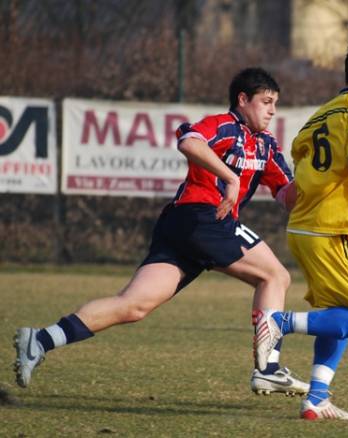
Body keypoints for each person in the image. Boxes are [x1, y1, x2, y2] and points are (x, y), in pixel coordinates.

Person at [14, 67, 308, 396]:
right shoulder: (226, 125)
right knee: (275, 277)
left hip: (186, 227)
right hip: (201, 217)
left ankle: (40, 340)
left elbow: (288, 197)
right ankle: (267, 369)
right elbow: (189, 142)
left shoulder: (266, 146)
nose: (272, 110)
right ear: (242, 99)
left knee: (133, 306)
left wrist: (315, 176)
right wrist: (230, 177)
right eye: (266, 101)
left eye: (275, 103)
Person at [252, 38, 348, 420]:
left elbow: (310, 178)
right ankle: (278, 322)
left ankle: (317, 397)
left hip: (304, 229)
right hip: (329, 232)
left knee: (340, 312)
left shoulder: (320, 115)